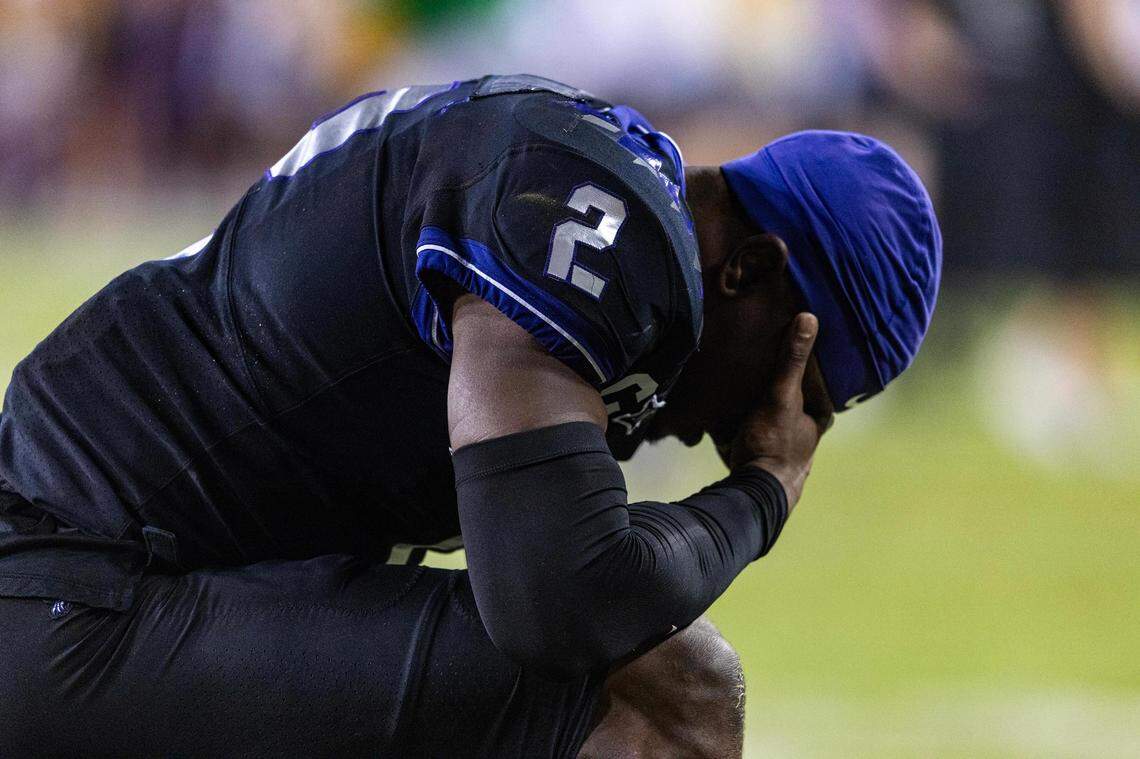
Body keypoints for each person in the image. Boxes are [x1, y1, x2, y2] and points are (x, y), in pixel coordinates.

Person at [0, 74, 941, 757]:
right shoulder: (604, 220)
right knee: (675, 696)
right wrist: (764, 493)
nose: (737, 429)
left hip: (111, 579)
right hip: (75, 591)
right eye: (788, 387)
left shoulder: (589, 181)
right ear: (752, 272)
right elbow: (559, 601)